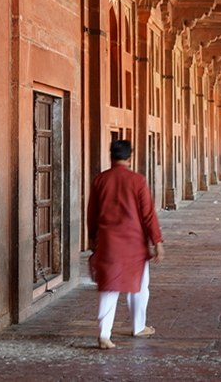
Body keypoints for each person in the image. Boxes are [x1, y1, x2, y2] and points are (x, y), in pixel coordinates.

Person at [87, 139, 165, 350]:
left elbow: (92, 214)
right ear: (130, 158)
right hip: (134, 245)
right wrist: (156, 241)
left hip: (108, 243)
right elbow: (148, 214)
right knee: (139, 287)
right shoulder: (137, 181)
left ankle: (104, 335)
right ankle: (138, 326)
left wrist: (92, 238)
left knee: (109, 288)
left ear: (111, 156)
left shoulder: (100, 180)